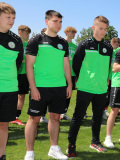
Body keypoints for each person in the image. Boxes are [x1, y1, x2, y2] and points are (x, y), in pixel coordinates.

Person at [24, 10, 71, 160]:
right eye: (55, 21)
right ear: (46, 22)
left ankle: (54, 149)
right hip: (40, 87)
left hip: (59, 86)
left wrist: (69, 84)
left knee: (55, 117)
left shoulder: (63, 42)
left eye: (60, 22)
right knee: (34, 119)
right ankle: (29, 152)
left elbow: (66, 65)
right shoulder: (36, 40)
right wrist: (33, 87)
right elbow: (29, 66)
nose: (58, 24)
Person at [67, 16, 113, 157]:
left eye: (105, 29)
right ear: (93, 28)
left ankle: (95, 142)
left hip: (101, 89)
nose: (103, 31)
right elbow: (76, 64)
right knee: (78, 117)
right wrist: (83, 78)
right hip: (85, 87)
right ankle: (71, 145)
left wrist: (107, 79)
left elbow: (109, 67)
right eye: (100, 28)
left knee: (98, 117)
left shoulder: (108, 47)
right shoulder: (84, 44)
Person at [0, 3, 23, 160]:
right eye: (8, 17)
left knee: (4, 124)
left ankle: (1, 154)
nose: (11, 21)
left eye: (13, 18)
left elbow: (18, 64)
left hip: (9, 89)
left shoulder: (16, 40)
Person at [11, 25, 31, 126]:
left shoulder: (28, 45)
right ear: (20, 32)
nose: (28, 35)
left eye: (29, 33)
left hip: (24, 74)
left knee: (21, 96)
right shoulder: (13, 43)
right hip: (13, 74)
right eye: (26, 33)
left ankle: (16, 117)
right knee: (9, 96)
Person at [60, 26, 78, 121]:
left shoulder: (75, 46)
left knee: (68, 94)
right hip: (61, 73)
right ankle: (57, 113)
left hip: (71, 74)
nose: (74, 34)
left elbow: (76, 61)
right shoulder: (61, 43)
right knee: (60, 94)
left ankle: (64, 113)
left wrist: (76, 74)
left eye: (74, 33)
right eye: (72, 32)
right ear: (67, 32)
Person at [103, 37, 120, 119]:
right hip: (107, 77)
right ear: (113, 43)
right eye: (117, 44)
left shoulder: (116, 52)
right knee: (105, 95)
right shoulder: (108, 51)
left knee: (109, 95)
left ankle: (105, 110)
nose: (117, 46)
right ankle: (101, 111)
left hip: (113, 77)